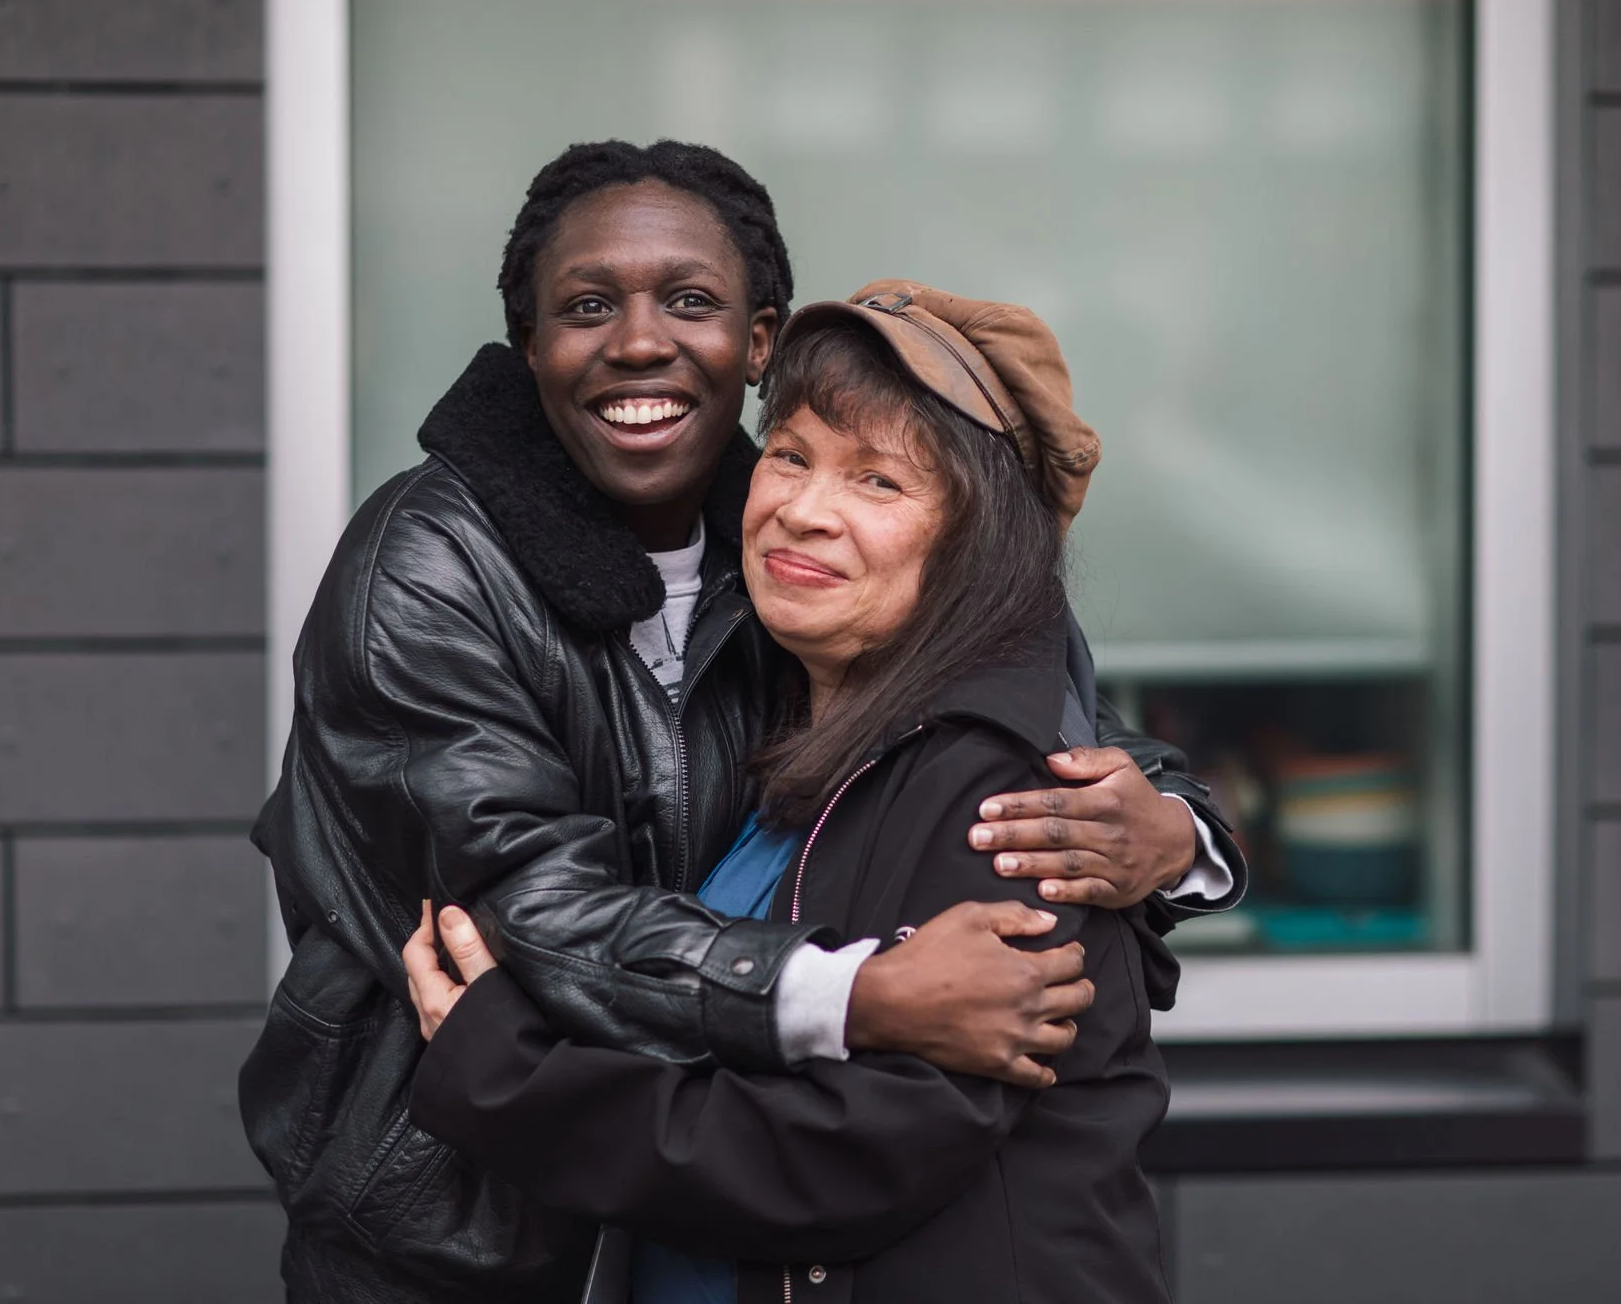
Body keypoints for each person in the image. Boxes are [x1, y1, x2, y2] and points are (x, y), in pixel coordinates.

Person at [239, 141, 1242, 1303]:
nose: (638, 341)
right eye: (584, 306)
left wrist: (1175, 829)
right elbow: (524, 917)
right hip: (458, 1227)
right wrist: (854, 994)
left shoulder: (779, 546)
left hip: (678, 1203)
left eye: (689, 301)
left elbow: (1034, 709)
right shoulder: (424, 574)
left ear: (755, 342)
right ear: (527, 345)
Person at [405, 282, 1178, 1303]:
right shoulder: (782, 720)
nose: (804, 512)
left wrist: (511, 1079)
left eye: (879, 483)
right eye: (789, 455)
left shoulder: (1006, 794)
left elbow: (842, 1158)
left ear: (977, 545)